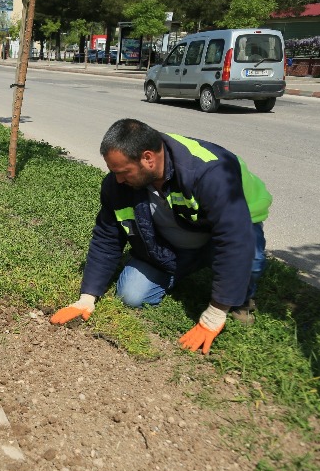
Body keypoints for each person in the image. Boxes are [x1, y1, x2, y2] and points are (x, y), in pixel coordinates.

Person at [50, 119, 271, 354]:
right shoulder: (117, 184)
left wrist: (215, 313)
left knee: (251, 257)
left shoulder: (209, 172)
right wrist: (88, 296)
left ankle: (241, 297)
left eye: (123, 172)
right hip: (175, 240)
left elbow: (234, 238)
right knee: (131, 295)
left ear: (148, 158)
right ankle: (183, 266)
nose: (118, 180)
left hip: (234, 225)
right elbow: (107, 236)